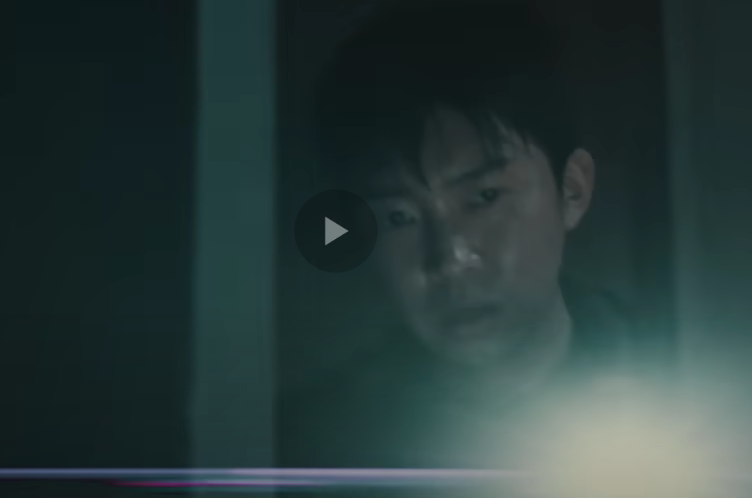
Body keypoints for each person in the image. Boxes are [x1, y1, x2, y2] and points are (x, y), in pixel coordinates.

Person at [278, 0, 635, 474]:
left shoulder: (686, 372)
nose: (448, 256)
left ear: (572, 189)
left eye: (485, 197)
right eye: (399, 217)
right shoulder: (312, 449)